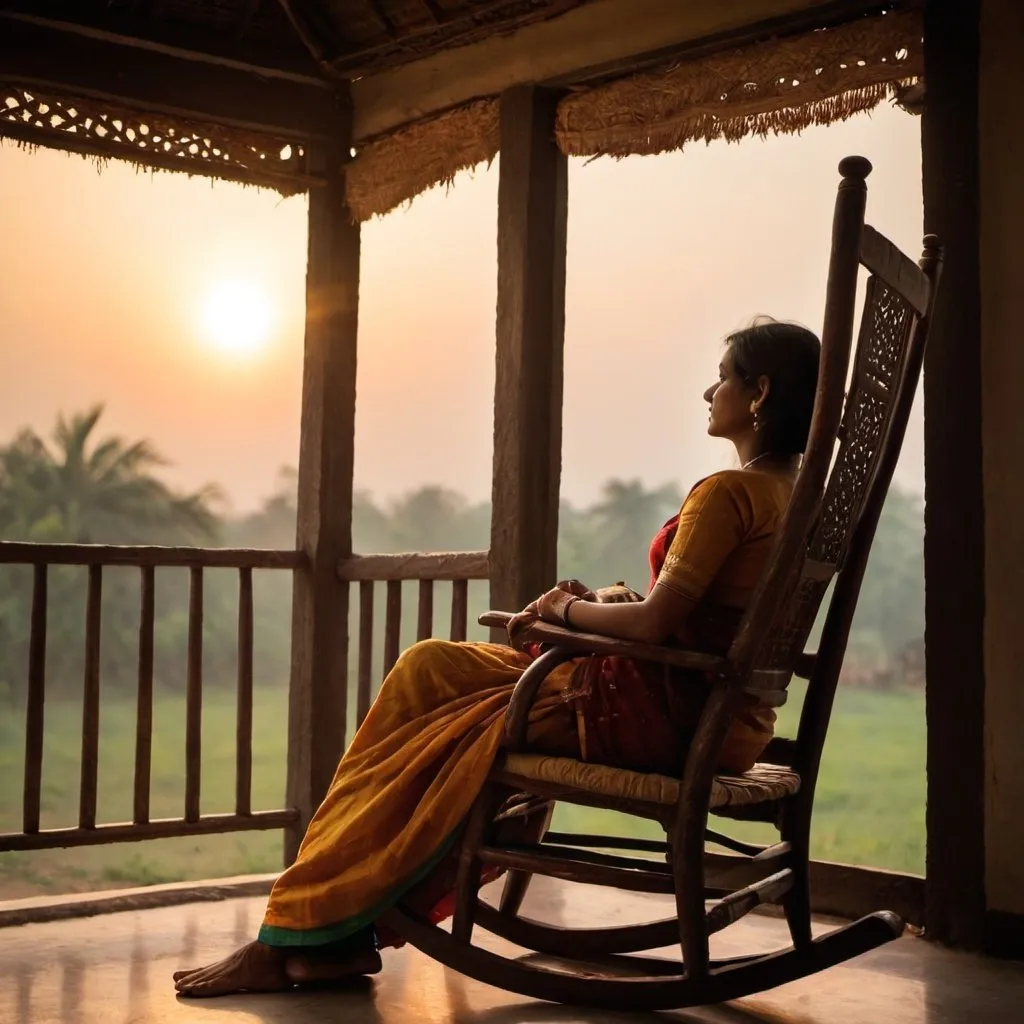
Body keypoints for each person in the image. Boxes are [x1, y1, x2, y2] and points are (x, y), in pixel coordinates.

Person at [173, 316, 821, 998]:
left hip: (655, 712)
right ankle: (331, 934)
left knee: (429, 720)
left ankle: (297, 931)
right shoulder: (796, 498)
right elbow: (698, 621)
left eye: (723, 377)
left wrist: (561, 613)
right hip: (724, 721)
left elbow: (658, 622)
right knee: (432, 671)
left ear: (760, 392)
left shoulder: (731, 493)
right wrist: (600, 600)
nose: (708, 391)